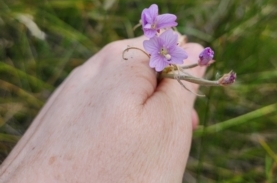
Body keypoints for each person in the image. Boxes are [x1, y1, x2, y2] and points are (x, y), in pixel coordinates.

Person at [0, 36, 205, 183]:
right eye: (160, 50)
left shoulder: (162, 53)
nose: (163, 52)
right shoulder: (155, 52)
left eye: (165, 51)